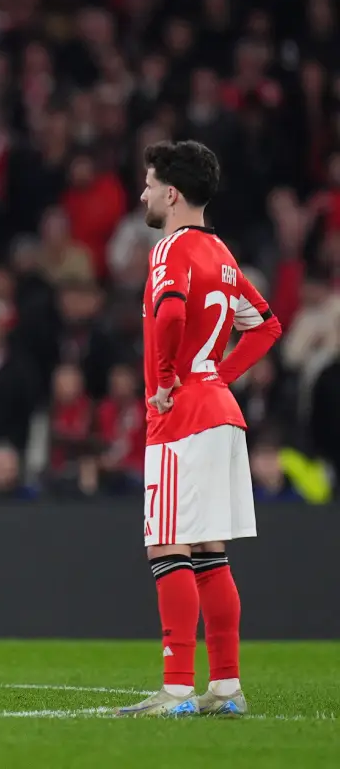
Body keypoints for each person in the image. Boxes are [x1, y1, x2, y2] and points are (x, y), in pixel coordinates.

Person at [117, 140, 282, 717]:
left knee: (168, 545)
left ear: (172, 193)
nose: (142, 193)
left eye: (148, 182)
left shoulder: (170, 248)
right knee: (210, 552)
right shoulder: (225, 256)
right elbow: (265, 326)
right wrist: (219, 376)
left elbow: (170, 310)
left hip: (181, 415)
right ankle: (227, 688)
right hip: (218, 412)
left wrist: (167, 378)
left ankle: (178, 688)